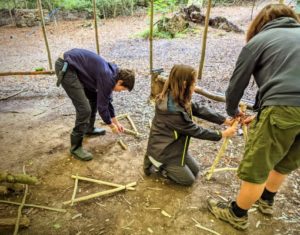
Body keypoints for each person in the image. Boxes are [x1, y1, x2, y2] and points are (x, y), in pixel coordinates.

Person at [207, 4, 300, 230]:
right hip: (286, 108)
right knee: (285, 159)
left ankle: (237, 214)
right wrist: (262, 116)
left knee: (258, 165)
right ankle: (267, 200)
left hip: (283, 107)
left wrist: (232, 112)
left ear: (259, 23)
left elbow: (236, 86)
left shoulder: (260, 40)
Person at [144, 64, 237, 186]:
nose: (195, 87)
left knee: (195, 170)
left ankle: (159, 160)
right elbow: (195, 130)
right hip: (164, 151)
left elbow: (197, 109)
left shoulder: (177, 95)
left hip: (173, 146)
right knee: (188, 180)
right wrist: (222, 134)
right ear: (184, 84)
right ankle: (158, 164)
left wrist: (224, 120)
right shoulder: (172, 110)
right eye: (193, 83)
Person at [55, 48, 135, 161]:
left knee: (94, 99)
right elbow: (102, 107)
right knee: (84, 109)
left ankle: (89, 128)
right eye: (122, 89)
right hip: (66, 67)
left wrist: (116, 122)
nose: (120, 91)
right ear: (120, 82)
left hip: (75, 66)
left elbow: (107, 101)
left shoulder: (114, 74)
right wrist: (111, 126)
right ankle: (75, 147)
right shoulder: (108, 77)